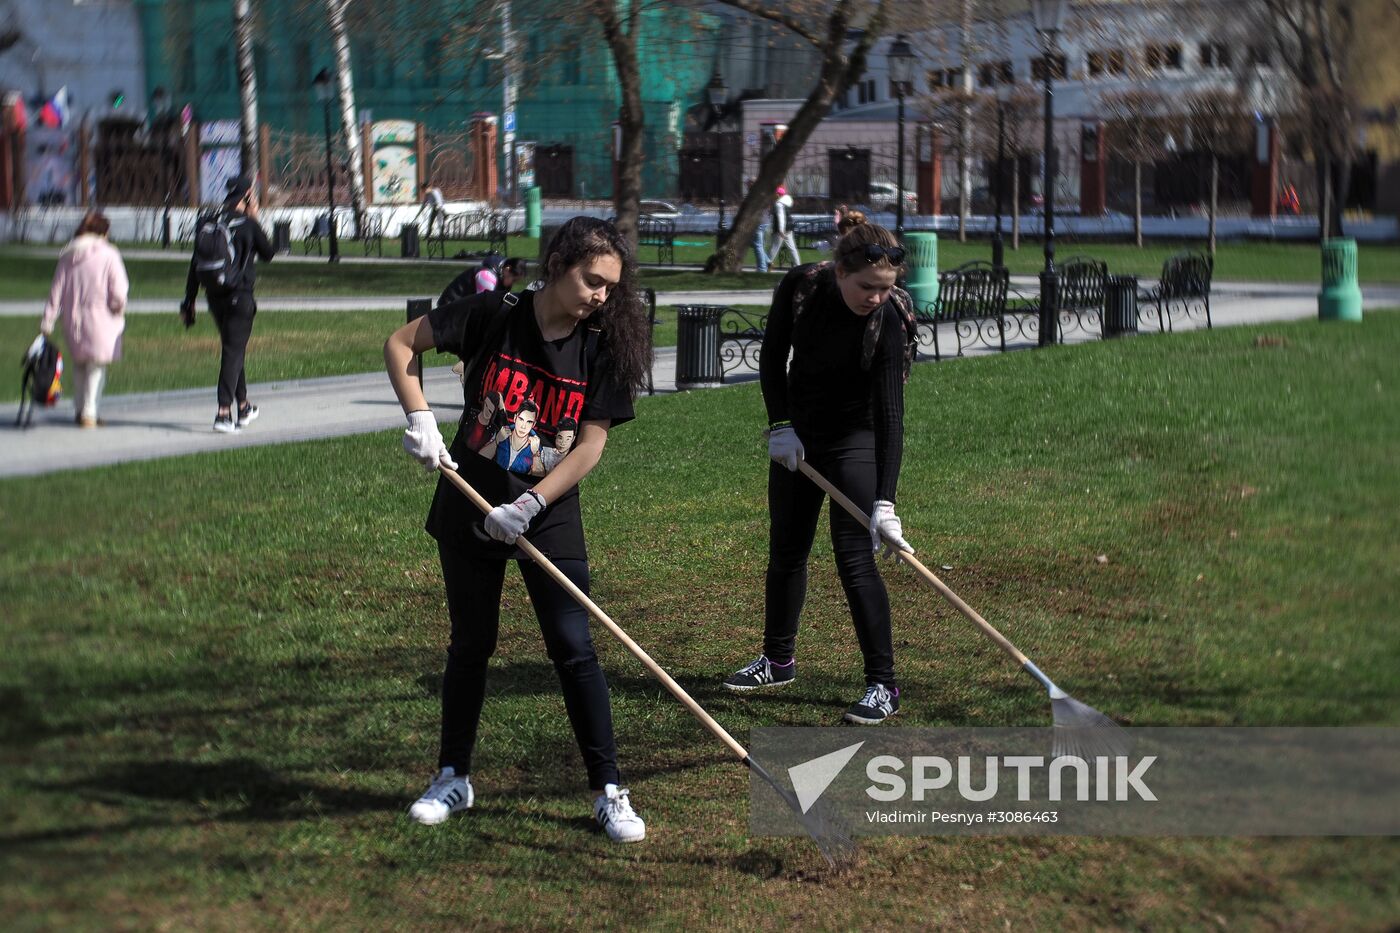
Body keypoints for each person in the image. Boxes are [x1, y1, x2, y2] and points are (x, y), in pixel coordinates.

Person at [383, 216, 654, 843]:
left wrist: (531, 503)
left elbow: (590, 445)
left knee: (574, 647)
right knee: (470, 644)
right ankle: (453, 776)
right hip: (471, 502)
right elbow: (400, 344)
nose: (600, 296)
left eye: (610, 287)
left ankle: (608, 790)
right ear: (558, 264)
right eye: (592, 280)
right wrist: (420, 418)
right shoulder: (493, 313)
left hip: (547, 513)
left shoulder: (601, 345)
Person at [724, 217, 915, 725]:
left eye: (886, 287)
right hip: (800, 433)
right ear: (840, 271)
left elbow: (891, 414)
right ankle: (777, 660)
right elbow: (772, 357)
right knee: (787, 549)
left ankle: (883, 685)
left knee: (855, 559)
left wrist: (885, 502)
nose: (876, 297)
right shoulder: (803, 286)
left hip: (856, 436)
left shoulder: (889, 319)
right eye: (867, 286)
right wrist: (781, 425)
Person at [180, 175, 275, 433]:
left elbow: (195, 263)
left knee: (234, 348)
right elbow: (269, 253)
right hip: (239, 297)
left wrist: (189, 300)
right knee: (233, 351)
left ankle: (243, 406)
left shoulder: (210, 221)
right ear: (247, 196)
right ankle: (223, 413)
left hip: (215, 297)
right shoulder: (248, 224)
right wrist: (254, 217)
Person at [39, 211, 129, 428]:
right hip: (101, 318)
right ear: (102, 232)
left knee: (79, 364)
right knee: (96, 366)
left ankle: (79, 409)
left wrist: (48, 319)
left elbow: (56, 290)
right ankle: (89, 412)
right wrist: (118, 307)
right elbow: (119, 291)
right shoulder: (109, 255)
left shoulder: (68, 255)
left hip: (73, 320)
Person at [437, 255, 528, 306]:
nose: (513, 284)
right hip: (449, 309)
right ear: (507, 270)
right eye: (514, 280)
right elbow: (483, 306)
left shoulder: (500, 275)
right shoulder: (487, 277)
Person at [766, 185, 802, 269]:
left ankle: (767, 264)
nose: (774, 195)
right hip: (789, 228)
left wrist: (781, 230)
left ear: (778, 194)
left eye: (775, 193)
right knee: (792, 248)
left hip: (781, 230)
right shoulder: (786, 202)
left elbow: (781, 217)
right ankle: (798, 266)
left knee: (774, 248)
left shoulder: (779, 204)